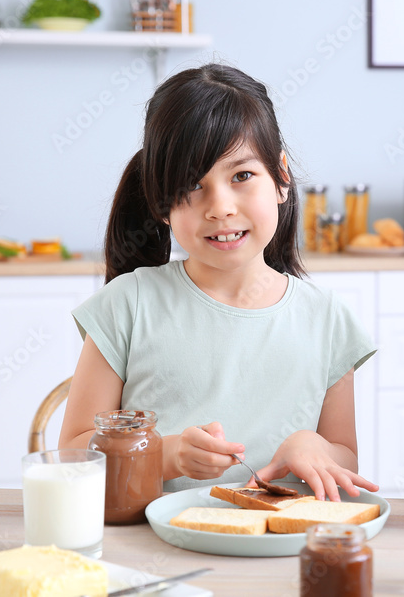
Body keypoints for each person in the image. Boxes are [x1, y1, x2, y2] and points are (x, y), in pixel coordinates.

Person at [59, 64, 377, 501]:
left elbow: (345, 457)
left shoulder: (328, 320)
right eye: (193, 185)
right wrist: (165, 454)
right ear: (161, 202)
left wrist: (314, 446)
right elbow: (74, 453)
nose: (220, 207)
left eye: (242, 176)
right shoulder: (127, 305)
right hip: (150, 547)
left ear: (281, 177)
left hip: (277, 546)